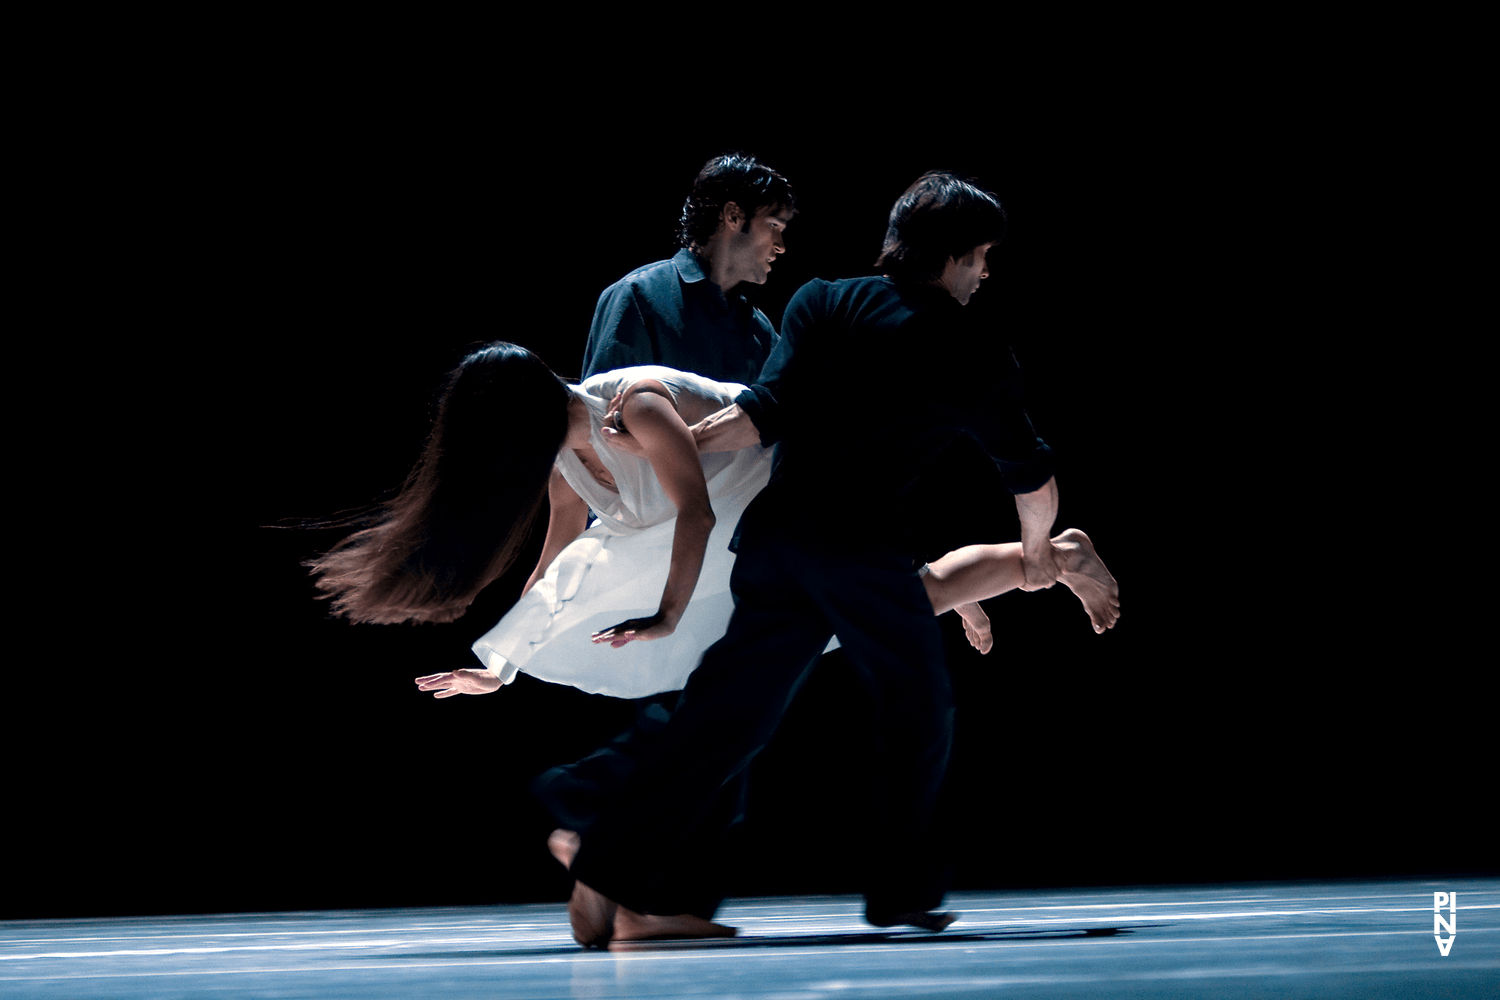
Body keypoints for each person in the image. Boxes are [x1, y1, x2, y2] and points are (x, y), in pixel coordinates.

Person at [564, 171, 1116, 946]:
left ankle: (607, 855)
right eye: (982, 257)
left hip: (777, 541)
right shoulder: (965, 341)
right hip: (859, 552)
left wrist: (675, 447)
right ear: (953, 256)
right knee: (918, 705)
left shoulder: (823, 298)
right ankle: (901, 891)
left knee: (728, 715)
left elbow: (760, 415)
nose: (984, 273)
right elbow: (1031, 476)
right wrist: (1037, 556)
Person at [580, 153, 796, 384]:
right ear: (733, 216)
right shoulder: (637, 297)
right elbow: (601, 410)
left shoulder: (761, 332)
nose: (781, 246)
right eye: (773, 225)